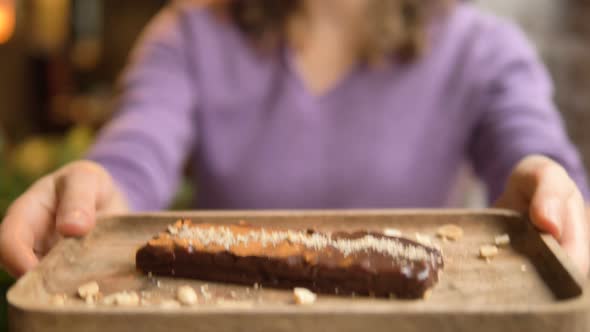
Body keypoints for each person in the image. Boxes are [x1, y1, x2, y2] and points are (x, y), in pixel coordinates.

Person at [1, 0, 589, 278]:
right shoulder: (189, 33)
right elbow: (135, 152)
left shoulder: (482, 48)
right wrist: (96, 187)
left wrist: (553, 194)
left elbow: (538, 155)